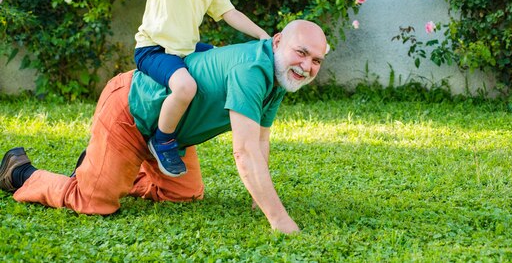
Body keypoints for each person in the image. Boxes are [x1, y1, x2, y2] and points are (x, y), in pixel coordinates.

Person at [0, 20, 326, 234]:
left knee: (184, 194)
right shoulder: (251, 70)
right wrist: (279, 219)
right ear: (278, 41)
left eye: (316, 60)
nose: (307, 66)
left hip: (167, 138)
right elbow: (244, 152)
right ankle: (21, 174)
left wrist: (260, 198)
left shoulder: (278, 77)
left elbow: (260, 139)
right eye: (301, 53)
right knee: (94, 202)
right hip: (130, 111)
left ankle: (106, 166)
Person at [121, 0, 271, 178]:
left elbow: (230, 13)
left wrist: (263, 35)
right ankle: (163, 139)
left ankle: (182, 126)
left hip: (185, 49)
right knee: (185, 87)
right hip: (155, 49)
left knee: (218, 58)